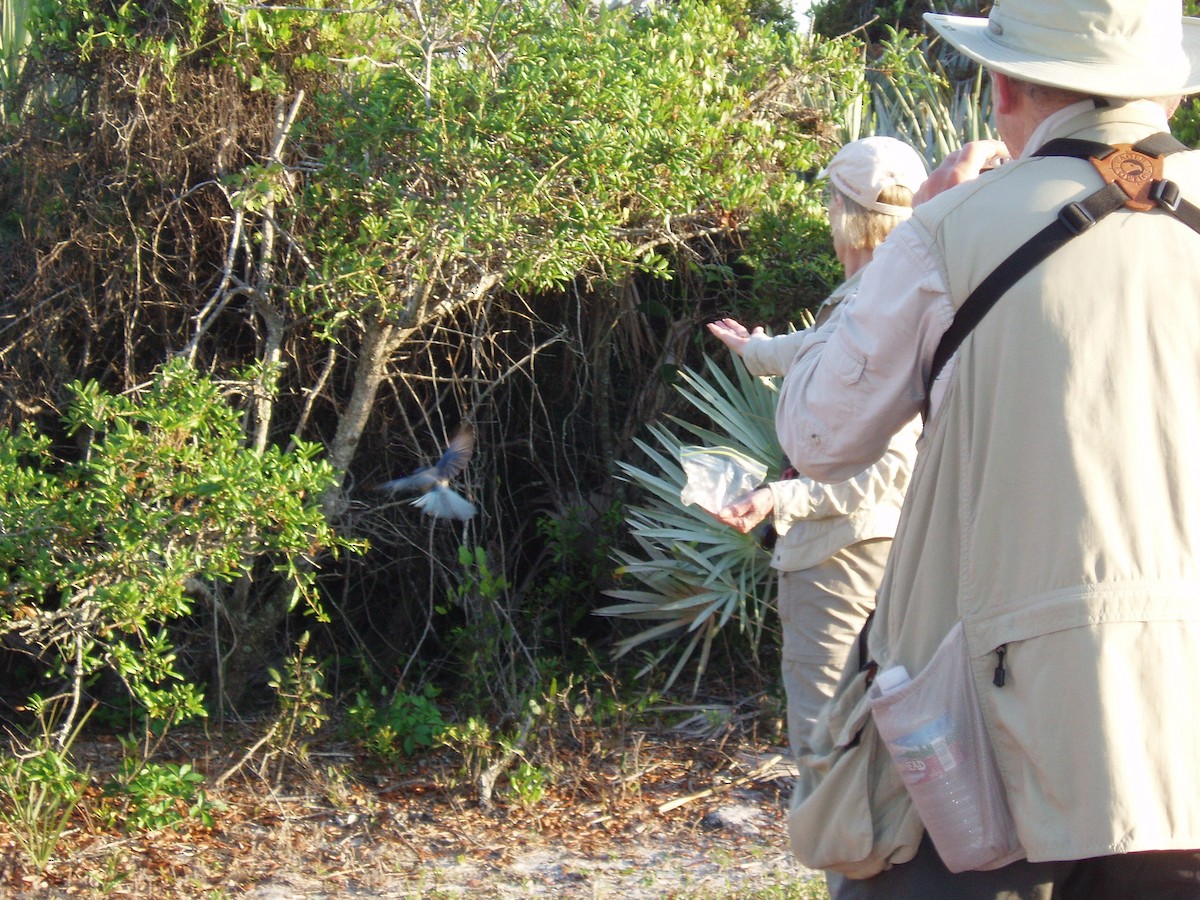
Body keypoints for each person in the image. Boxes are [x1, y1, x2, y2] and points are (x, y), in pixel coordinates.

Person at [772, 1, 1200, 897]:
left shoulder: (949, 231)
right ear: (1167, 88)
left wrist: (906, 237)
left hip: (988, 742)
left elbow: (817, 436)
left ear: (1003, 86)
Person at [706, 136, 925, 762]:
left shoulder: (873, 304)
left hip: (840, 558)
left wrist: (782, 496)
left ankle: (850, 859)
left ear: (843, 213)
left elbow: (889, 468)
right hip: (873, 549)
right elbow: (819, 344)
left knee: (829, 745)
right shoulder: (885, 294)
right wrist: (756, 353)